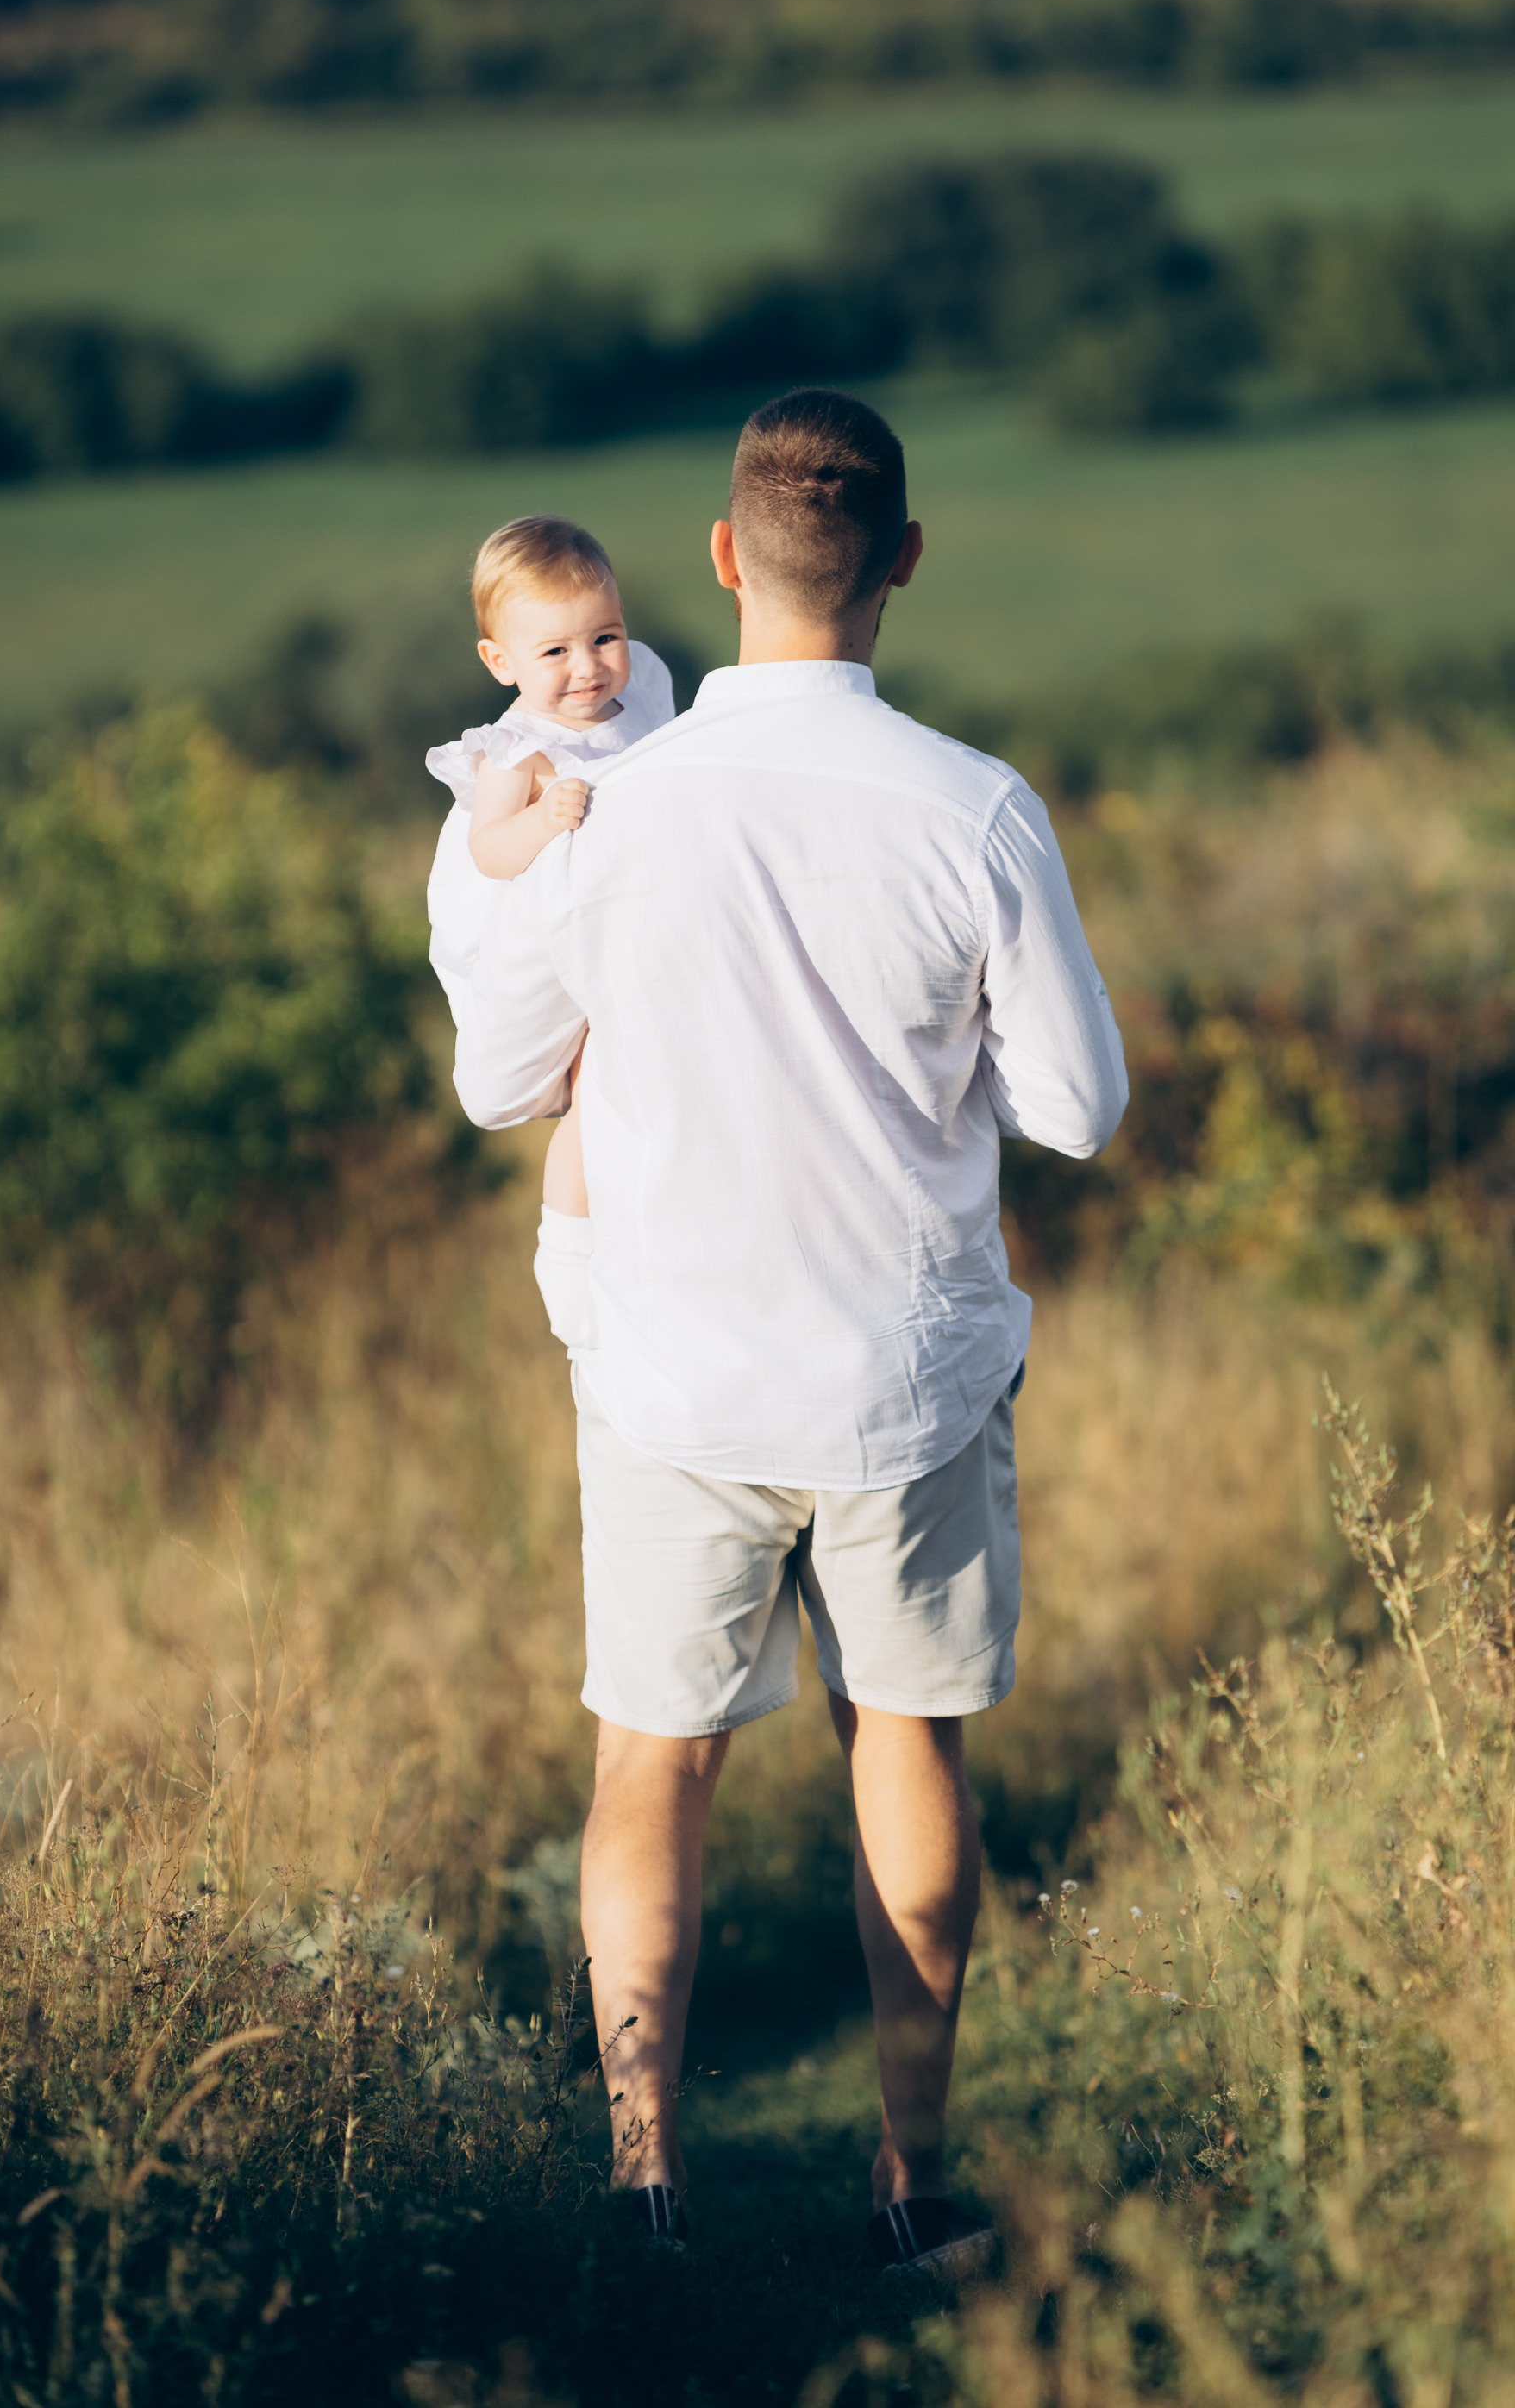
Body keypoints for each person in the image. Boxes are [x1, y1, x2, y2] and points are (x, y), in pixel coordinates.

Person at [452, 390, 1128, 2277]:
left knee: (649, 1766)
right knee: (904, 1743)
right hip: (902, 1375)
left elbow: (501, 1077)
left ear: (723, 559)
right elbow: (1077, 1111)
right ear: (904, 558)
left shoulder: (607, 805)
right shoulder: (974, 808)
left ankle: (646, 2181)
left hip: (668, 1373)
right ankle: (913, 2185)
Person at [426, 514, 673, 1348]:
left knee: (639, 1076)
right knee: (593, 1092)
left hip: (627, 917)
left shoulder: (641, 695)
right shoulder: (518, 750)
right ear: (501, 662)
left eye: (605, 637)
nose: (587, 667)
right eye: (555, 652)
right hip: (543, 935)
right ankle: (568, 1258)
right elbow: (490, 851)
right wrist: (542, 821)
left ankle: (649, 1242)